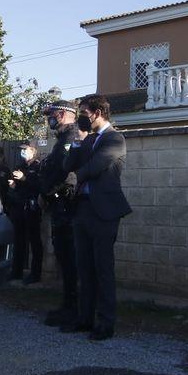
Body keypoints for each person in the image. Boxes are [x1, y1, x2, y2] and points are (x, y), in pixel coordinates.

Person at [61, 95, 131, 341]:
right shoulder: (87, 139)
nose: (81, 116)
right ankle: (84, 318)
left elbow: (97, 165)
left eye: (84, 112)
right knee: (84, 267)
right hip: (82, 209)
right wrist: (78, 144)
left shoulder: (115, 138)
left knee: (102, 268)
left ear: (98, 112)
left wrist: (75, 176)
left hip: (104, 212)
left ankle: (106, 323)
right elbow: (68, 165)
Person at [37, 100, 81, 326]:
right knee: (64, 257)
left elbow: (67, 174)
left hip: (65, 205)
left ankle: (74, 308)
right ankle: (68, 305)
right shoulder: (62, 138)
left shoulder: (72, 136)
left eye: (52, 114)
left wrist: (49, 193)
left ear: (63, 114)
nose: (49, 119)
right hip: (58, 204)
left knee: (69, 257)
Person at [8, 144, 43, 284]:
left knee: (34, 241)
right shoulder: (20, 166)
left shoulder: (38, 166)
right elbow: (17, 187)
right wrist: (14, 185)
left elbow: (40, 185)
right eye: (21, 149)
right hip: (19, 206)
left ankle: (35, 274)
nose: (23, 152)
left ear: (33, 151)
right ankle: (17, 272)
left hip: (32, 207)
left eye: (25, 150)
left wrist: (25, 179)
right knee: (19, 240)